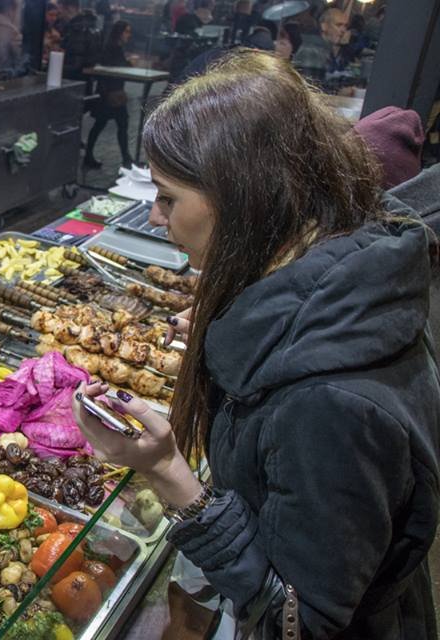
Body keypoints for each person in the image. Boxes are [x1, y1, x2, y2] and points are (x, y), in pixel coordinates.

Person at [73, 51, 439, 639]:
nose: (155, 214)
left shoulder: (328, 400)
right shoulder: (345, 272)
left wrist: (168, 471)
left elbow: (299, 624)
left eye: (169, 197)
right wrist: (244, 318)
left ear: (244, 200)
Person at [83, 20, 133, 170]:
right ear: (119, 32)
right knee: (114, 124)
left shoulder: (115, 47)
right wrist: (128, 63)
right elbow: (113, 66)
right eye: (126, 31)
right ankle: (125, 159)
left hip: (111, 91)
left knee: (106, 124)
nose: (128, 35)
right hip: (109, 92)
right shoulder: (112, 48)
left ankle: (124, 158)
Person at [292, 7, 348, 80]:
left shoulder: (327, 48)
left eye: (345, 26)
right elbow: (309, 85)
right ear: (324, 26)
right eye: (338, 25)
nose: (343, 30)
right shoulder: (311, 50)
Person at [59, 0, 101, 84]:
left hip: (74, 81)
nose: (60, 14)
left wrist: (52, 67)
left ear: (70, 8)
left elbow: (76, 63)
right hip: (86, 80)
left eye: (61, 10)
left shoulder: (77, 29)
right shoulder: (91, 26)